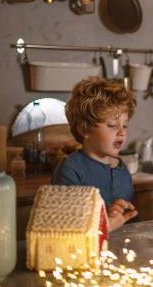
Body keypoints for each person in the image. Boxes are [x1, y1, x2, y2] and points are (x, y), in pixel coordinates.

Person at [53, 77, 138, 231]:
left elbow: (127, 220)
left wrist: (120, 214)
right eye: (112, 125)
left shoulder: (122, 169)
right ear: (84, 129)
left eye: (124, 125)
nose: (121, 133)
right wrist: (105, 224)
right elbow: (67, 229)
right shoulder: (71, 171)